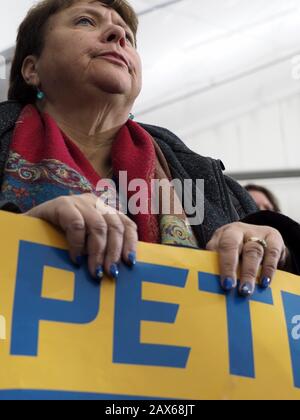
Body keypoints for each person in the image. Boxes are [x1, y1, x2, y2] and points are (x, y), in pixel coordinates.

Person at [0, 0, 299, 299]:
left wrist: (274, 248)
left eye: (128, 37)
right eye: (85, 21)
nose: (117, 33)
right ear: (31, 69)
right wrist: (19, 232)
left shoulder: (200, 173)